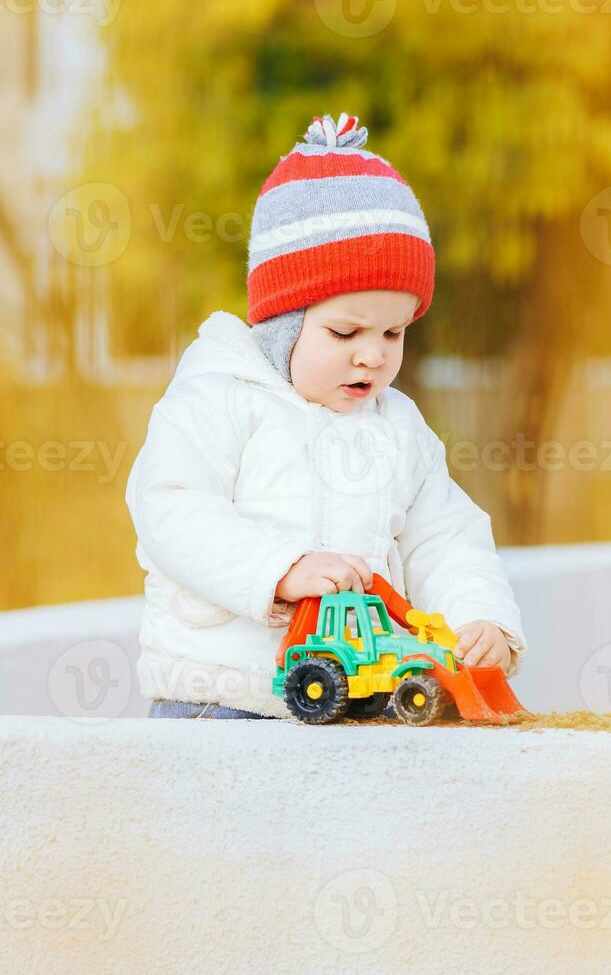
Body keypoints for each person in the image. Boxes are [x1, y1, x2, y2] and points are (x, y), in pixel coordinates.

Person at [127, 113, 528, 721]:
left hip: (357, 706)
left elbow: (445, 538)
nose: (373, 354)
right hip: (220, 702)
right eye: (345, 331)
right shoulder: (220, 395)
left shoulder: (398, 428)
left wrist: (482, 619)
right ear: (284, 323)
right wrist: (279, 570)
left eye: (394, 331)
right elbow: (169, 506)